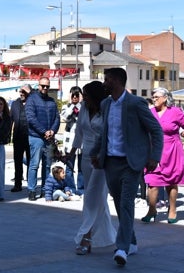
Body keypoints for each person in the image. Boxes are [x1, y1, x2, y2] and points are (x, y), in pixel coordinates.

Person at [90, 68, 163, 266]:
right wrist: (95, 152)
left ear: (116, 81)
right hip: (111, 162)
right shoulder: (105, 104)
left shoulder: (136, 103)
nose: (104, 83)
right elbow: (103, 133)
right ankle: (131, 241)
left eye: (107, 79)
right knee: (119, 204)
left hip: (132, 163)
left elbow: (156, 130)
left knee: (126, 203)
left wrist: (154, 156)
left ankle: (121, 247)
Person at [66, 81, 116, 255]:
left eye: (86, 95)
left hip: (102, 159)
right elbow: (78, 132)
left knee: (92, 197)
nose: (83, 98)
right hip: (86, 158)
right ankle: (110, 236)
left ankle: (85, 237)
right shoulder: (84, 110)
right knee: (98, 198)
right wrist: (71, 153)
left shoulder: (107, 110)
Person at [143, 87, 184, 224]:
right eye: (153, 97)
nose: (154, 99)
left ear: (165, 98)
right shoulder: (150, 112)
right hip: (154, 152)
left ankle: (172, 210)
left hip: (172, 150)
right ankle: (152, 209)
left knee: (171, 182)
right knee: (152, 182)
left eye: (156, 97)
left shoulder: (176, 112)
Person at [25, 76, 60, 201]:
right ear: (38, 85)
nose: (45, 88)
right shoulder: (31, 100)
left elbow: (57, 118)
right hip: (36, 137)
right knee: (34, 164)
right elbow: (31, 118)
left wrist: (52, 131)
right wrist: (44, 131)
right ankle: (32, 190)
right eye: (43, 86)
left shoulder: (52, 101)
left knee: (47, 165)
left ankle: (45, 190)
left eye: (47, 86)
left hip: (49, 138)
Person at [61, 86, 84, 194]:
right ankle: (70, 188)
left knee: (81, 168)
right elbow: (65, 117)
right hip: (69, 142)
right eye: (73, 95)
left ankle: (81, 188)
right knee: (69, 167)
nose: (75, 97)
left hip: (82, 141)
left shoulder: (84, 107)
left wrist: (80, 104)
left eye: (77, 95)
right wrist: (71, 104)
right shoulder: (66, 107)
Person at [10, 84, 32, 192]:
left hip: (31, 137)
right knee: (17, 162)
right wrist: (7, 134)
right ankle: (17, 184)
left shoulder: (33, 102)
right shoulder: (15, 104)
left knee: (30, 161)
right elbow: (10, 120)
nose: (22, 93)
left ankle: (30, 184)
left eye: (24, 91)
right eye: (20, 91)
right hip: (18, 137)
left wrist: (31, 93)